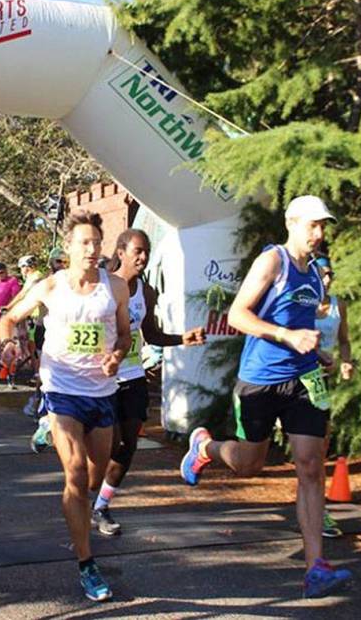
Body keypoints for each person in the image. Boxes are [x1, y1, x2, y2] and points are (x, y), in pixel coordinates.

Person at [179, 195, 353, 599]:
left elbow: (302, 328)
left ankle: (315, 568)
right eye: (312, 225)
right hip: (260, 380)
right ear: (291, 223)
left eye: (323, 226)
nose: (318, 234)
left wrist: (318, 353)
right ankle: (204, 447)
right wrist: (286, 336)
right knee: (249, 465)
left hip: (304, 379)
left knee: (311, 466)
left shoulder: (315, 274)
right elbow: (237, 315)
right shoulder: (273, 261)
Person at [0, 211, 131, 602]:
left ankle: (50, 437)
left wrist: (117, 356)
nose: (92, 250)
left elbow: (125, 335)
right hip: (61, 390)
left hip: (101, 393)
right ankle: (87, 563)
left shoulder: (116, 287)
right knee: (74, 472)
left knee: (92, 479)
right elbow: (10, 317)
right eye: (84, 243)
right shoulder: (50, 286)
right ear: (68, 247)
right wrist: (10, 343)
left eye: (97, 243)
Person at [90, 228, 207, 536]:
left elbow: (151, 334)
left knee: (127, 446)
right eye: (137, 251)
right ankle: (81, 487)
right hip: (101, 379)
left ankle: (101, 506)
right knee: (108, 445)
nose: (143, 257)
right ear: (121, 253)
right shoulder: (102, 286)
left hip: (132, 376)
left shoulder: (147, 292)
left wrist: (182, 338)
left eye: (146, 252)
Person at [313, 255, 354, 538]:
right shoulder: (301, 304)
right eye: (322, 274)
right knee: (250, 460)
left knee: (319, 449)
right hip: (292, 379)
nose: (327, 280)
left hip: (320, 383)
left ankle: (318, 511)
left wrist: (346, 361)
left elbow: (344, 341)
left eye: (330, 274)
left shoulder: (339, 305)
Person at [10, 255, 45, 417]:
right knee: (33, 351)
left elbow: (22, 295)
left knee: (37, 354)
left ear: (28, 266)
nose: (22, 271)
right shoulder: (34, 277)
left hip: (38, 320)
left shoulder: (35, 277)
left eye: (22, 267)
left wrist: (8, 307)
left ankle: (38, 393)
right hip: (35, 319)